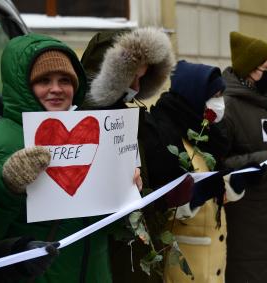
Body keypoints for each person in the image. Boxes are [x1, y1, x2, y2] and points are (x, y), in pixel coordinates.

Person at [0, 33, 138, 283]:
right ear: (22, 84)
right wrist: (8, 186)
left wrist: (125, 196)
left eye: (65, 80)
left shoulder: (95, 132)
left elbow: (107, 229)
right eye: (43, 80)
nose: (56, 89)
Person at [80, 28, 181, 283]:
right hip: (110, 253)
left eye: (143, 78)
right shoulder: (85, 120)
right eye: (132, 77)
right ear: (112, 74)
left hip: (136, 248)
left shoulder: (130, 116)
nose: (137, 87)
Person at [144, 60, 228, 283]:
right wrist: (191, 198)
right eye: (214, 95)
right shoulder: (164, 133)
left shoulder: (207, 134)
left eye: (220, 95)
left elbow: (213, 181)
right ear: (194, 94)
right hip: (182, 266)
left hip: (213, 264)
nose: (219, 102)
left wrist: (233, 185)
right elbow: (157, 205)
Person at [221, 31, 267, 283]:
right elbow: (217, 166)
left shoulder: (261, 105)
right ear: (250, 70)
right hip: (246, 227)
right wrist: (264, 160)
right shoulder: (228, 107)